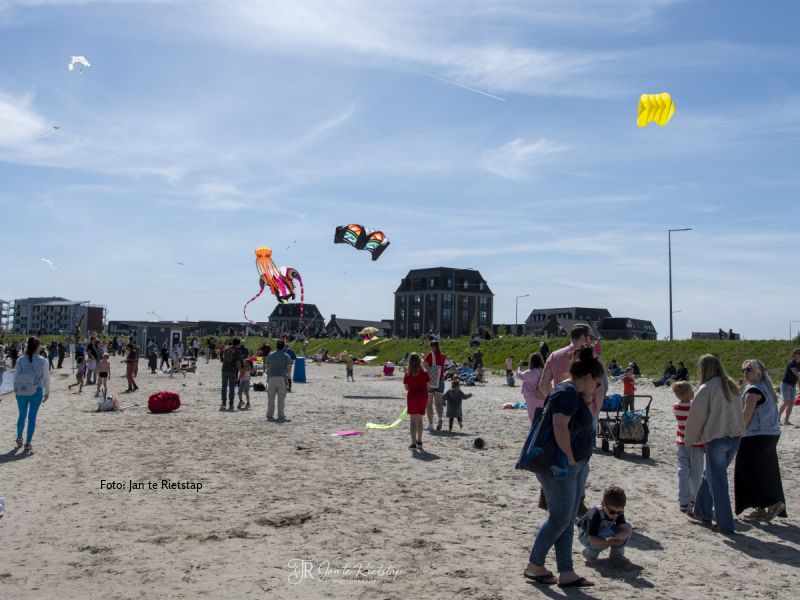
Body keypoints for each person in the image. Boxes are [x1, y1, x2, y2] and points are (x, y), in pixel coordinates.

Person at [524, 347, 604, 588]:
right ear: (588, 377)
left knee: (567, 519)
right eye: (597, 383)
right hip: (560, 465)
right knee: (559, 519)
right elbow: (559, 426)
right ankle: (534, 565)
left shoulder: (574, 392)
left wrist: (588, 397)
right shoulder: (566, 392)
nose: (597, 389)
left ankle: (566, 571)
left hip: (574, 464)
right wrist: (569, 458)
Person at [684, 354, 746, 534]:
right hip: (735, 438)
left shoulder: (707, 388)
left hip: (717, 439)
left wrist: (690, 439)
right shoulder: (732, 385)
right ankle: (701, 511)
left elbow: (696, 417)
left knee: (718, 482)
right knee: (710, 474)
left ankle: (725, 524)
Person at [734, 359, 786, 521]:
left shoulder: (753, 390)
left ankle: (772, 503)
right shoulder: (767, 388)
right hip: (771, 434)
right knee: (765, 470)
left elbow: (746, 416)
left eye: (748, 370)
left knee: (748, 471)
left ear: (757, 371)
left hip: (756, 435)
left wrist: (737, 432)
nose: (745, 373)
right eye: (743, 370)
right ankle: (760, 508)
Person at [13, 337, 50, 455]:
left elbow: (15, 377)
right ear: (37, 347)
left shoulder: (20, 360)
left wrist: (15, 390)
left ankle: (19, 439)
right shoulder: (43, 361)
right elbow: (46, 378)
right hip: (36, 390)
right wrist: (47, 392)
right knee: (32, 417)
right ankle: (28, 443)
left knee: (21, 415)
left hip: (22, 390)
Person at [672, 381, 704, 513]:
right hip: (696, 443)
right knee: (696, 473)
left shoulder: (676, 407)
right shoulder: (694, 407)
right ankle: (694, 498)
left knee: (683, 471)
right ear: (688, 393)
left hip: (681, 442)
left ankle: (683, 500)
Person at [578, 486, 632, 562]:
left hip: (603, 532)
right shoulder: (595, 514)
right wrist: (606, 542)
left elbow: (625, 530)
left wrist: (617, 537)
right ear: (603, 504)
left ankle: (616, 555)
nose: (616, 515)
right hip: (587, 536)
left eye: (620, 512)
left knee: (628, 528)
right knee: (607, 533)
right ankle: (589, 553)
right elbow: (592, 539)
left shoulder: (617, 512)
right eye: (612, 512)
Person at [403, 352, 430, 450]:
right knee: (420, 419)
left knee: (413, 421)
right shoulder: (425, 373)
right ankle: (419, 441)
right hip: (423, 396)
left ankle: (413, 443)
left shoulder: (408, 374)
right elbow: (428, 387)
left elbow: (406, 388)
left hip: (412, 397)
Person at [423, 341, 447, 431]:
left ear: (433, 347)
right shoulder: (443, 355)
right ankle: (440, 418)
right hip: (441, 380)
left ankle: (431, 424)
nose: (430, 348)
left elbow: (425, 365)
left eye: (430, 347)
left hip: (432, 381)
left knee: (429, 403)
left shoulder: (430, 355)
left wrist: (427, 367)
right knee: (438, 403)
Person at [517, 353, 545, 424]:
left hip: (532, 397)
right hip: (543, 395)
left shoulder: (530, 372)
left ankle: (535, 430)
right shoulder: (544, 371)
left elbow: (519, 375)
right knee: (541, 416)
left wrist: (519, 367)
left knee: (533, 417)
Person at [266, 340, 291, 421]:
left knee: (271, 398)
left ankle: (269, 414)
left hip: (271, 377)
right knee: (281, 398)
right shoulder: (286, 356)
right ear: (283, 347)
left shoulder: (270, 354)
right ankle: (281, 415)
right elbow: (288, 368)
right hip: (281, 378)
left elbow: (267, 366)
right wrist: (288, 377)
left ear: (276, 346)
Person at [778, 348, 800, 426]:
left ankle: (786, 421)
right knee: (786, 402)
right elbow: (797, 373)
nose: (798, 354)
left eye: (799, 353)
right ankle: (777, 418)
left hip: (793, 385)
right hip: (786, 384)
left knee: (791, 403)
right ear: (794, 354)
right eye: (797, 353)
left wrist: (798, 384)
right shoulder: (791, 363)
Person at [220, 339, 242, 412]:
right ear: (238, 344)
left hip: (224, 369)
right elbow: (238, 362)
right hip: (232, 370)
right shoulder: (237, 351)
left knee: (224, 386)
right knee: (231, 387)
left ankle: (223, 403)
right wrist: (241, 370)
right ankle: (231, 405)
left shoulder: (226, 348)